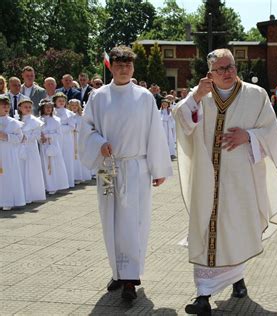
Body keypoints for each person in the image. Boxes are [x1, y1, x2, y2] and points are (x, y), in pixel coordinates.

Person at [173, 48, 277, 314]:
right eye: (221, 69)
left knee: (236, 229)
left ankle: (237, 280)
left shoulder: (256, 95)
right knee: (206, 228)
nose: (227, 73)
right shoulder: (201, 96)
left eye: (230, 67)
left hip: (241, 178)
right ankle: (203, 295)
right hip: (206, 177)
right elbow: (180, 119)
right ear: (210, 74)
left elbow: (271, 131)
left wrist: (249, 137)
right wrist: (196, 96)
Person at [78, 45, 173, 301]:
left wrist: (158, 168)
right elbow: (86, 128)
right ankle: (117, 271)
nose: (123, 69)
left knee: (133, 221)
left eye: (128, 65)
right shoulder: (98, 97)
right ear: (112, 68)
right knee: (109, 219)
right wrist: (99, 144)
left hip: (136, 168)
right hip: (108, 167)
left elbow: (155, 132)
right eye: (119, 65)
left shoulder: (143, 97)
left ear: (133, 67)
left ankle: (131, 277)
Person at [18, 97, 46, 204]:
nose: (28, 109)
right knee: (22, 168)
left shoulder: (35, 121)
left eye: (29, 107)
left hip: (31, 147)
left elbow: (37, 135)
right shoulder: (18, 119)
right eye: (25, 107)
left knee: (31, 169)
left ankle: (33, 193)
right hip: (20, 147)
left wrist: (26, 137)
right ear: (20, 108)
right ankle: (23, 193)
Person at [38, 99, 69, 195]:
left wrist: (47, 135)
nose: (48, 109)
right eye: (46, 107)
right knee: (44, 164)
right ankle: (47, 186)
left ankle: (55, 185)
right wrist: (41, 137)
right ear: (42, 108)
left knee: (54, 165)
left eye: (50, 107)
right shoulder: (39, 120)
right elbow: (37, 132)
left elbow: (59, 134)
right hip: (43, 146)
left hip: (53, 145)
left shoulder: (56, 120)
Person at [0, 95, 25, 211]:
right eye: (2, 105)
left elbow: (19, 138)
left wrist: (6, 136)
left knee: (8, 176)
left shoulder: (14, 123)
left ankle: (7, 200)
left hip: (8, 153)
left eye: (7, 105)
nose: (5, 107)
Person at [53, 92, 76, 188]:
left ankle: (69, 180)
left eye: (63, 101)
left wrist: (59, 128)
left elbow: (72, 126)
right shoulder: (52, 111)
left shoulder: (69, 113)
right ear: (55, 102)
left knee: (67, 158)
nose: (61, 102)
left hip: (66, 138)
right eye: (59, 101)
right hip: (55, 138)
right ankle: (57, 181)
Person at [67, 99, 91, 184]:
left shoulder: (81, 116)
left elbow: (83, 126)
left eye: (76, 105)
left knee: (79, 155)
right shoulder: (68, 115)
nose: (74, 107)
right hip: (70, 137)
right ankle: (73, 175)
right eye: (72, 105)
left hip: (78, 137)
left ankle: (81, 175)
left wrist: (77, 128)